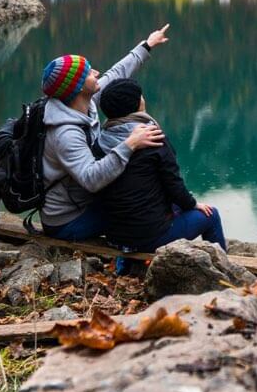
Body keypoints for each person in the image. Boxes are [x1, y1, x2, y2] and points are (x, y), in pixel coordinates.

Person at [37, 25, 170, 241]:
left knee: (144, 199)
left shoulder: (82, 103)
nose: (96, 73)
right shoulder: (65, 133)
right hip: (68, 220)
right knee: (143, 209)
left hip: (83, 201)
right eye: (89, 72)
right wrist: (130, 144)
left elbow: (116, 73)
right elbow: (91, 179)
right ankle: (132, 259)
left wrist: (147, 45)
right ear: (78, 86)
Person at [95, 78, 225, 251]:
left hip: (115, 235)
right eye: (140, 96)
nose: (143, 98)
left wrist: (186, 202)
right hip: (149, 237)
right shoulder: (153, 139)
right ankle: (224, 272)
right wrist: (193, 205)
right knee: (211, 215)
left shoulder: (101, 140)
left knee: (172, 203)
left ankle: (125, 264)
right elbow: (173, 185)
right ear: (136, 104)